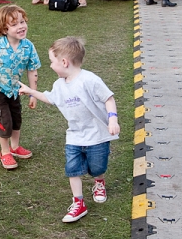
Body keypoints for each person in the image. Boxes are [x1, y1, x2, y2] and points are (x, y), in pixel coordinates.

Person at [18, 36, 120, 223]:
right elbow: (51, 98)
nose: (50, 66)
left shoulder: (90, 80)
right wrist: (31, 91)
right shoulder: (59, 85)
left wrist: (112, 120)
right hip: (74, 136)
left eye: (51, 62)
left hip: (97, 135)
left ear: (64, 62)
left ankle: (99, 182)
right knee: (72, 169)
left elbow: (108, 98)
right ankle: (79, 202)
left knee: (97, 167)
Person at [0, 4, 41, 170]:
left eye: (22, 22)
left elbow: (32, 70)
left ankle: (15, 147)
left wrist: (33, 94)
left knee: (16, 119)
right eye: (14, 24)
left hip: (15, 91)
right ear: (4, 29)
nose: (21, 27)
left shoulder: (28, 46)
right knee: (3, 121)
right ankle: (5, 152)